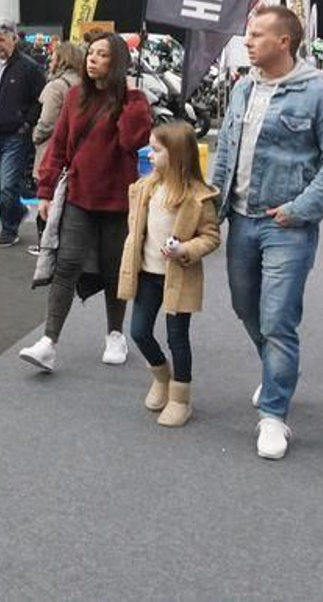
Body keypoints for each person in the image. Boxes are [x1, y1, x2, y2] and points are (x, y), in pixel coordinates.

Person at [210, 4, 323, 460]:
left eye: (256, 35)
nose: (248, 42)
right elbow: (225, 149)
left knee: (277, 318)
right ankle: (277, 370)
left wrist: (301, 208)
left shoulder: (318, 93)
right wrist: (210, 204)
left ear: (283, 42)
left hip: (285, 225)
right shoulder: (243, 90)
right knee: (245, 308)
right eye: (248, 35)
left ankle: (274, 414)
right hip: (240, 218)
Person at [20, 32, 149, 370]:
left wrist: (126, 100)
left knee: (112, 271)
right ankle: (49, 341)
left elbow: (133, 140)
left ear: (117, 61)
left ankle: (115, 334)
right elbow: (59, 147)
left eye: (102, 55)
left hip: (118, 201)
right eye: (91, 53)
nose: (92, 59)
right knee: (66, 265)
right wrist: (46, 191)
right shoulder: (76, 95)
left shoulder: (135, 100)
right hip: (78, 195)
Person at [118, 120, 221, 426]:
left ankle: (180, 398)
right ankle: (161, 377)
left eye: (156, 149)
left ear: (176, 155)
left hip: (179, 276)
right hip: (147, 272)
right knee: (138, 331)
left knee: (178, 337)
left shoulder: (198, 197)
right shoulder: (147, 187)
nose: (149, 154)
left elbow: (212, 236)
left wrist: (184, 249)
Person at [0, 19, 46, 247]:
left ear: (13, 39)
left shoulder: (29, 68)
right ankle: (17, 209)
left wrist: (26, 124)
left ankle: (9, 229)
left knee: (8, 185)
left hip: (15, 136)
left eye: (1, 39)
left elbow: (39, 100)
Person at [28, 41, 85, 255]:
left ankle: (46, 244)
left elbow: (47, 121)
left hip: (53, 148)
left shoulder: (56, 86)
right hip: (77, 150)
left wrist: (35, 136)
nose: (50, 62)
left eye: (53, 58)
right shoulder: (83, 84)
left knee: (47, 197)